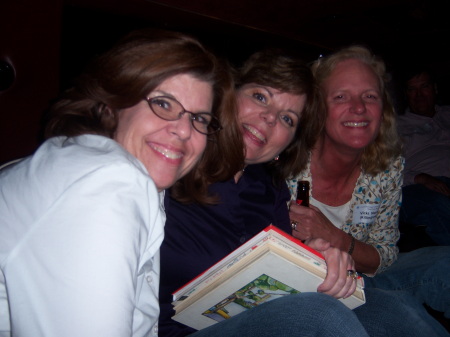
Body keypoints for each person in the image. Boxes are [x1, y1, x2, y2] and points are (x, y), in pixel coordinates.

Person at [159, 49, 444, 337]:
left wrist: (324, 258)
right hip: (175, 329)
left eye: (287, 118)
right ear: (228, 93)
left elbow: (283, 265)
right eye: (260, 97)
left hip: (265, 313)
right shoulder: (170, 160)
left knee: (387, 308)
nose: (270, 118)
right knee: (317, 314)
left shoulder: (268, 187)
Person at [0, 29, 241, 337]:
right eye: (164, 104)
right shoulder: (108, 181)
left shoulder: (95, 168)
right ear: (110, 106)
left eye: (199, 119)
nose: (183, 130)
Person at [288, 45, 450, 336]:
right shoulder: (284, 162)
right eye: (341, 96)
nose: (359, 107)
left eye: (370, 96)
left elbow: (384, 255)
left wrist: (334, 237)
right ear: (317, 106)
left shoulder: (386, 166)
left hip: (364, 279)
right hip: (301, 293)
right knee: (401, 315)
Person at [397, 66, 450, 245]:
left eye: (424, 87)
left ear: (435, 88)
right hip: (418, 186)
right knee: (438, 205)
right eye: (412, 89)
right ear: (406, 94)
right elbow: (381, 172)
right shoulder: (395, 127)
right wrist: (419, 178)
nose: (419, 95)